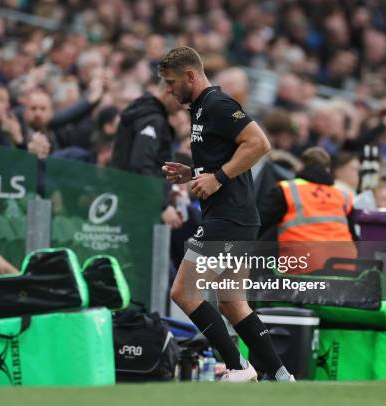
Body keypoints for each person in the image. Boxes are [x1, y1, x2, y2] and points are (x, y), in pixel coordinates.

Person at [159, 46, 292, 382]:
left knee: (183, 292)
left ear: (191, 75)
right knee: (233, 302)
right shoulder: (200, 109)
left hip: (228, 218)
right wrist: (193, 173)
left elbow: (259, 144)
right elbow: (226, 158)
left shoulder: (218, 105)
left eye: (172, 82)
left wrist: (217, 177)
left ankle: (237, 366)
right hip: (235, 216)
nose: (168, 90)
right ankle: (280, 376)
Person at [259, 147, 358, 273]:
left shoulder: (287, 190)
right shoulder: (343, 196)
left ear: (301, 166)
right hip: (345, 267)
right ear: (328, 170)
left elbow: (258, 224)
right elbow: (355, 238)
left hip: (303, 269)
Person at [111, 78, 185, 229]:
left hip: (129, 204)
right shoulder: (152, 120)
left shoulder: (142, 113)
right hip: (137, 210)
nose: (184, 106)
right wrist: (161, 206)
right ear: (169, 90)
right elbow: (140, 164)